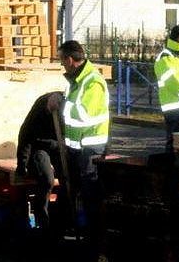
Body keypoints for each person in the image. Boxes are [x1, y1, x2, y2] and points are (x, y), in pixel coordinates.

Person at [46, 40, 110, 250]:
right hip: (76, 148)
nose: (62, 66)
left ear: (70, 60)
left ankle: (95, 242)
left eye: (62, 61)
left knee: (91, 195)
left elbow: (84, 114)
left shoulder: (92, 82)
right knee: (72, 190)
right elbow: (74, 104)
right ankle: (75, 233)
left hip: (91, 150)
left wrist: (62, 103)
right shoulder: (77, 81)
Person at [15, 91, 64, 232]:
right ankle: (43, 220)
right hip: (40, 147)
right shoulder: (40, 108)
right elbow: (25, 134)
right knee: (47, 179)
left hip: (61, 147)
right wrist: (22, 164)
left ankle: (61, 220)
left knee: (66, 180)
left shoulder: (67, 108)